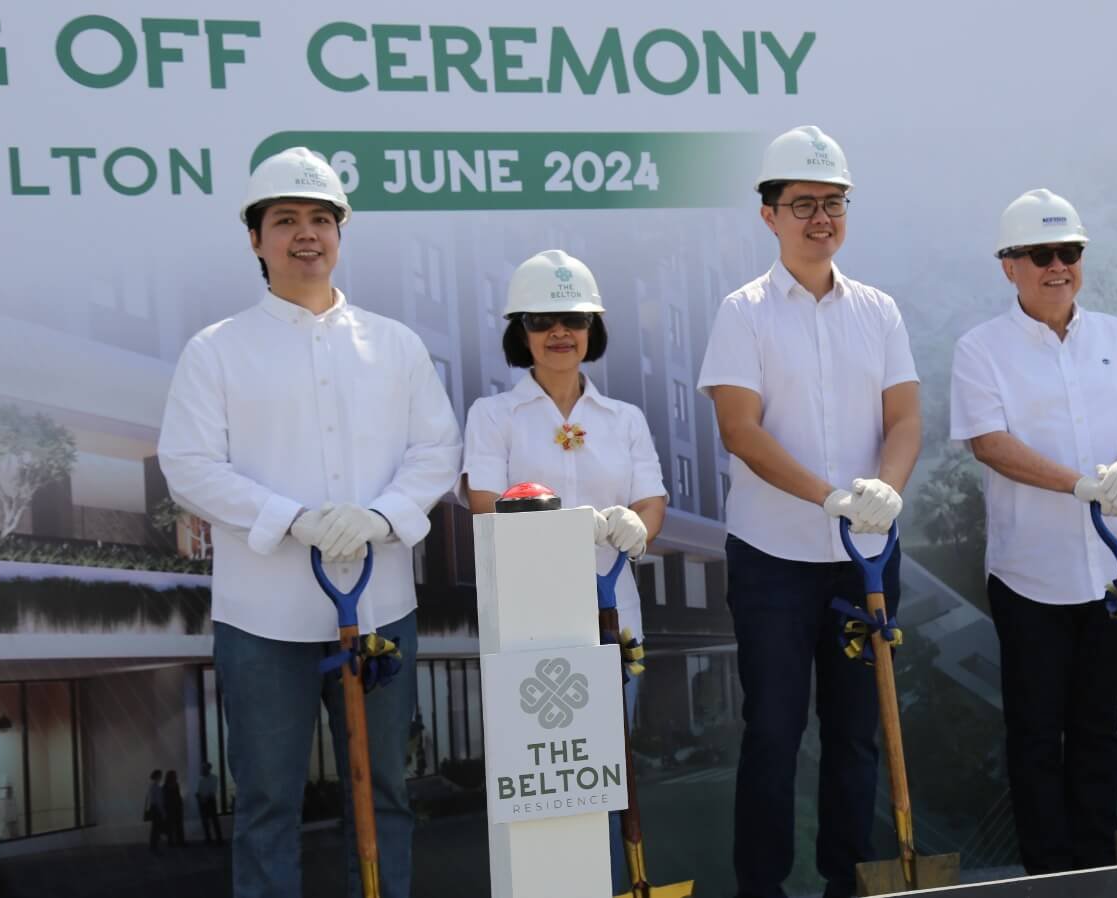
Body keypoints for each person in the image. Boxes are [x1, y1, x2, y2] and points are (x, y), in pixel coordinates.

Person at [158, 146, 463, 898]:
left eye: (321, 218)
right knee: (266, 802)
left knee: (385, 790)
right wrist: (290, 520)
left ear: (340, 233)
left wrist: (381, 517)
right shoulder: (216, 351)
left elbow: (438, 449)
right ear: (256, 239)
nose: (306, 233)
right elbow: (189, 464)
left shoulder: (394, 345)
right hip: (262, 619)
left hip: (382, 607)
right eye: (285, 218)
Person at [698, 125, 922, 898]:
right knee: (774, 734)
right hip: (774, 558)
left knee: (857, 737)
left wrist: (883, 491)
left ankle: (847, 882)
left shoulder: (879, 311)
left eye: (833, 203)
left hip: (865, 554)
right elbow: (739, 429)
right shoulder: (744, 312)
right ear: (770, 215)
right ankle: (762, 887)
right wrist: (825, 495)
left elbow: (905, 421)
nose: (820, 218)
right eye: (803, 204)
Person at [950, 189, 1117, 873]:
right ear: (1008, 265)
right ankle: (1048, 874)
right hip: (1032, 576)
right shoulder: (980, 348)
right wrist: (1079, 484)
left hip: (1116, 570)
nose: (1057, 266)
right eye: (1041, 254)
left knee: (1100, 730)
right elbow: (988, 443)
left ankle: (1095, 867)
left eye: (1069, 252)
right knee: (1036, 733)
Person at [460, 248, 666, 893]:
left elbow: (651, 500)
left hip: (613, 616)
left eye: (574, 320)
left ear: (592, 331)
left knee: (606, 770)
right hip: (528, 620)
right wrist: (559, 532)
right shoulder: (494, 415)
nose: (559, 333)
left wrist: (637, 528)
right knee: (544, 777)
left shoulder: (624, 418)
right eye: (541, 320)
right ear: (518, 332)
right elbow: (484, 501)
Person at [196, 762, 224, 844]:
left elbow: (212, 791)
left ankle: (219, 839)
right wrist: (200, 798)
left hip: (210, 802)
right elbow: (198, 791)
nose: (201, 770)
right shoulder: (201, 780)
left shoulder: (214, 778)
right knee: (205, 822)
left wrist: (204, 798)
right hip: (202, 802)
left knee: (215, 821)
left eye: (203, 768)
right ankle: (209, 839)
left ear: (207, 769)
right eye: (202, 768)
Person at [163, 770, 186, 847]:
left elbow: (178, 796)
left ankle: (180, 841)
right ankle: (172, 842)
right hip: (171, 808)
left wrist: (180, 803)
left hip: (176, 808)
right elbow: (166, 799)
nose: (176, 776)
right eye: (174, 775)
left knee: (178, 825)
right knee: (171, 826)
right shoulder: (166, 786)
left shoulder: (175, 785)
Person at [145, 770, 165, 855]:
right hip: (156, 809)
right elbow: (158, 800)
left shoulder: (153, 786)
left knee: (155, 828)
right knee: (156, 828)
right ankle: (154, 846)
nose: (161, 777)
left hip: (154, 809)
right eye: (160, 775)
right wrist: (162, 811)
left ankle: (153, 845)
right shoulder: (155, 787)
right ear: (157, 776)